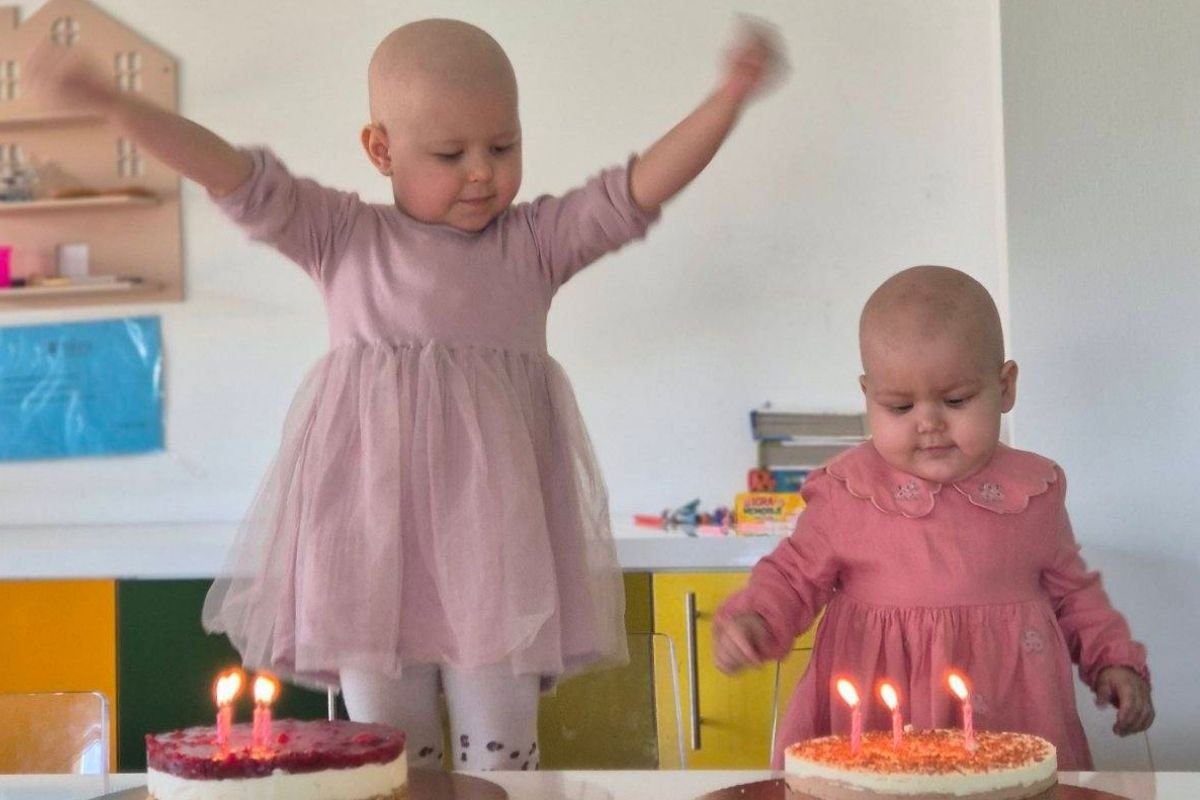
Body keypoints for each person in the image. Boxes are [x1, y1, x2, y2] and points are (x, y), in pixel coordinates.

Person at [31, 15, 783, 770]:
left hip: (497, 565)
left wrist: (728, 98)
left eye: (503, 146)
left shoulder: (533, 244)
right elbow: (230, 172)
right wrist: (112, 100)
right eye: (451, 154)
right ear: (381, 149)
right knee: (392, 765)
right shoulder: (341, 237)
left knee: (502, 763)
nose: (482, 172)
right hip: (367, 563)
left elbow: (636, 190)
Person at [713, 266, 1153, 770]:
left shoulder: (1034, 491)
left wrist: (1113, 660)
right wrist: (756, 618)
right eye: (900, 407)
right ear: (868, 396)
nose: (929, 423)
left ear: (1005, 386)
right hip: (877, 715)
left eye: (956, 400)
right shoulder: (847, 490)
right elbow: (794, 576)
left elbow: (1074, 593)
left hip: (1009, 711)